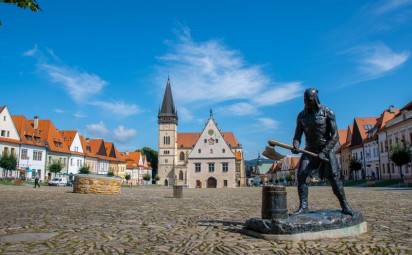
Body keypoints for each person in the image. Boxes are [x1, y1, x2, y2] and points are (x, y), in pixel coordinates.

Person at [292, 88, 353, 216]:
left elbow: (335, 136)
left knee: (335, 178)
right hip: (309, 150)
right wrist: (296, 145)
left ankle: (345, 205)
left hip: (326, 149)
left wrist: (324, 151)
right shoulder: (301, 116)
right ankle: (303, 206)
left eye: (309, 100)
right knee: (301, 175)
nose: (306, 103)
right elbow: (297, 136)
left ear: (315, 99)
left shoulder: (327, 112)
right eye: (305, 100)